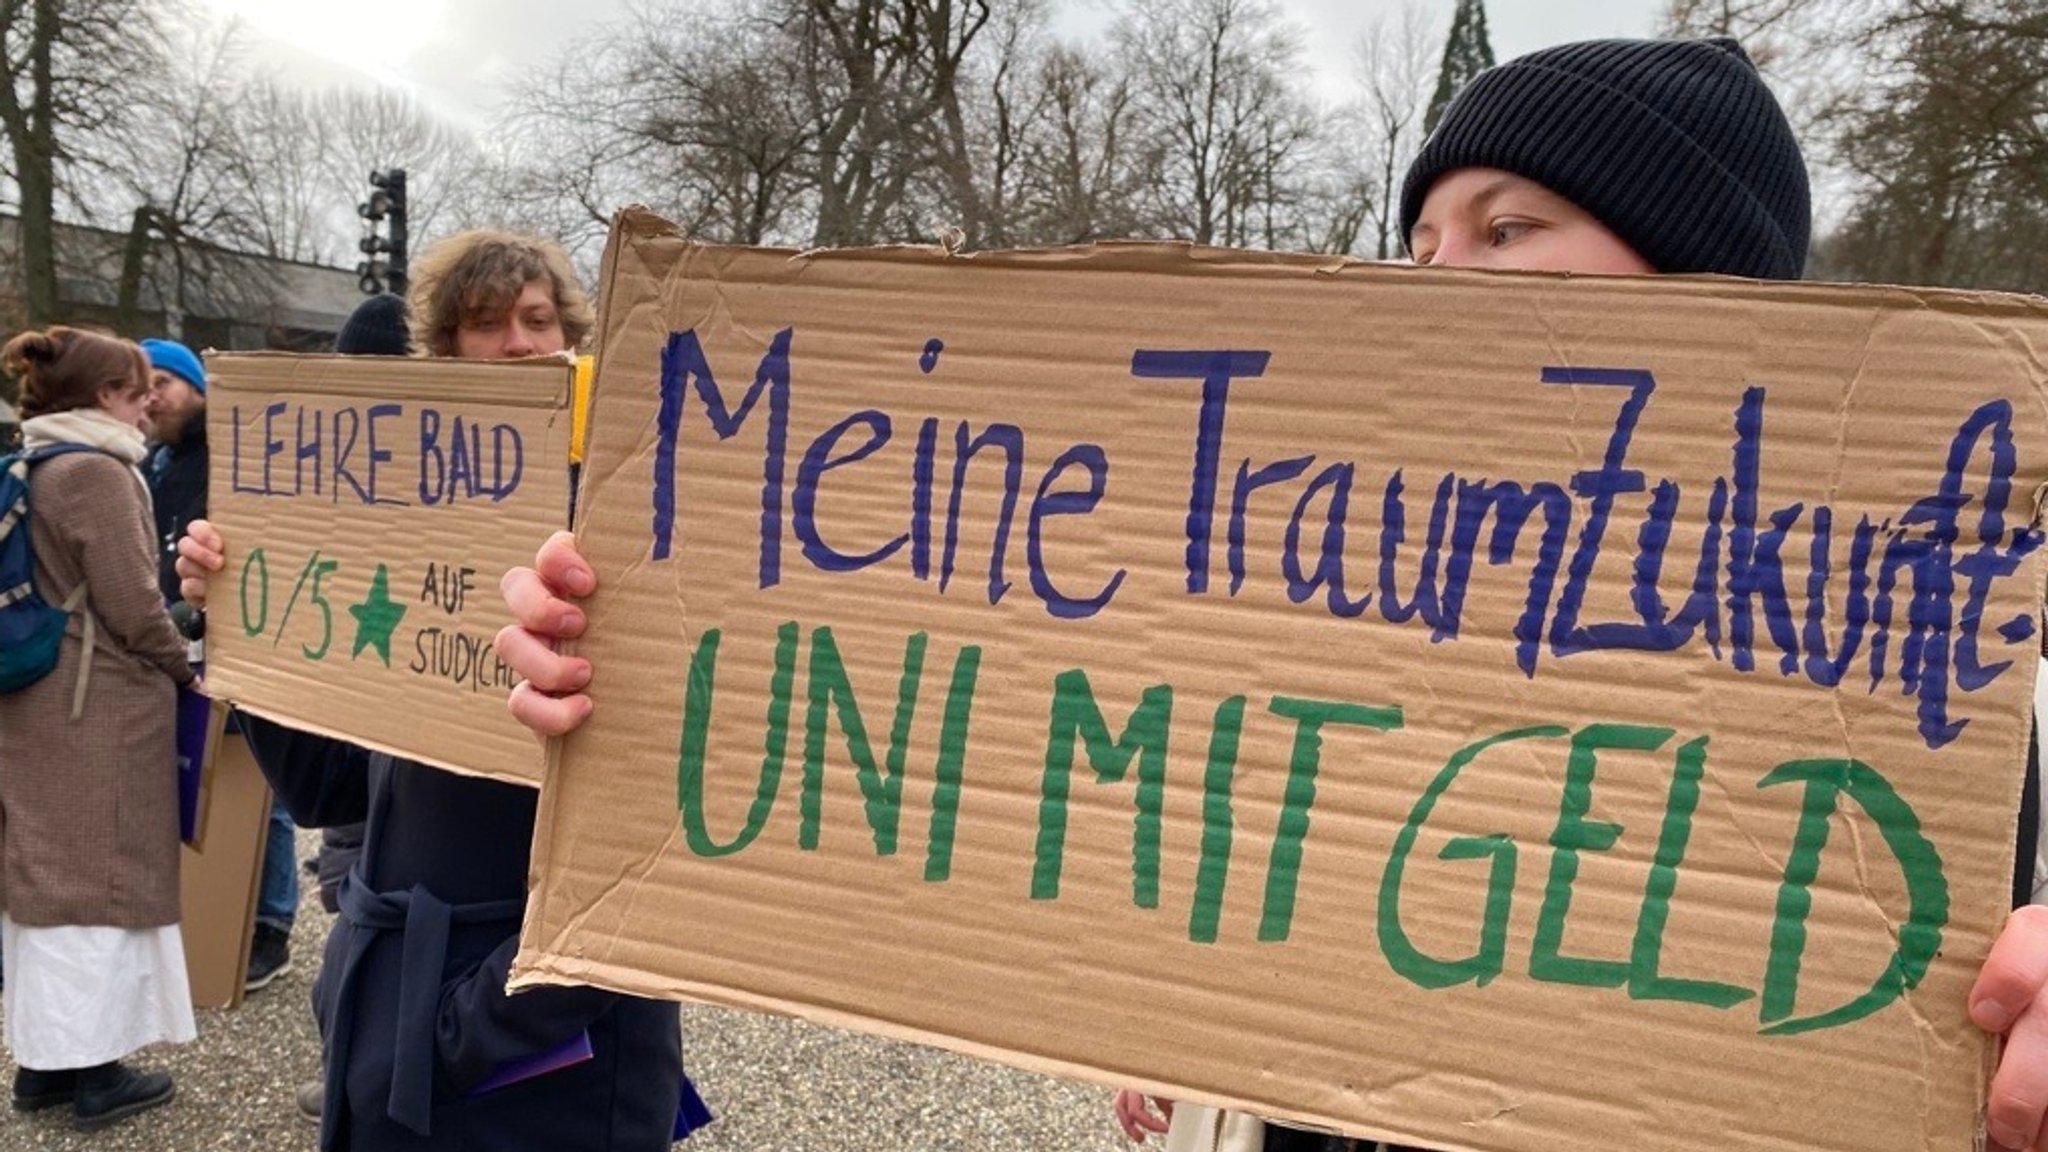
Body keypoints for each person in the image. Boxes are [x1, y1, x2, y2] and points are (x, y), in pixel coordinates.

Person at [491, 33, 2048, 1152]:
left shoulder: (1887, 667)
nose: (1442, 279)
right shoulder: (1314, 565)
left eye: (1511, 228)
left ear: (1718, 297)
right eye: (1423, 239)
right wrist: (638, 669)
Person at [174, 233, 708, 1152]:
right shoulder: (406, 532)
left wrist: (477, 1019)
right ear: (444, 355)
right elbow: (328, 790)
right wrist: (244, 637)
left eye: (539, 320)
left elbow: (675, 825)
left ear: (577, 340)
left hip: (542, 1025)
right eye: (485, 325)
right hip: (392, 995)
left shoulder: (648, 522)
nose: (519, 343)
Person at [0, 327, 196, 1131]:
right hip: (97, 711)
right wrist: (186, 665)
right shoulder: (98, 472)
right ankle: (96, 1075)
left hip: (38, 702)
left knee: (45, 882)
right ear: (94, 397)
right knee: (98, 888)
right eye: (131, 388)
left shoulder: (35, 462)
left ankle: (41, 1069)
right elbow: (132, 603)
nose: (146, 401)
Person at [139, 336, 300, 995]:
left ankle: (269, 925)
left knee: (260, 777)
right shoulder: (157, 462)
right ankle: (209, 916)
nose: (152, 395)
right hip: (176, 643)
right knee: (195, 772)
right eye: (142, 383)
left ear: (197, 388)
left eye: (164, 383)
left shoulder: (230, 453)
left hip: (232, 637)